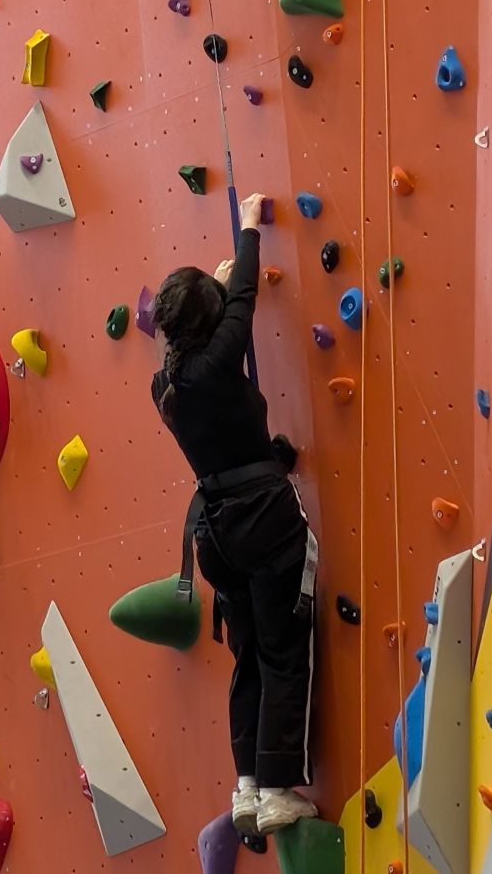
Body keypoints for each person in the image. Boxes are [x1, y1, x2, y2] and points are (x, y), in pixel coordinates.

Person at [152, 193, 319, 839]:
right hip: (262, 520)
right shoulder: (217, 364)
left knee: (249, 655)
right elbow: (243, 297)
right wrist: (249, 225)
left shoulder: (165, 385)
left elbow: (225, 313)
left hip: (215, 533)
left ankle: (248, 784)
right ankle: (278, 789)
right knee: (282, 651)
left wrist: (213, 291)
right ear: (211, 321)